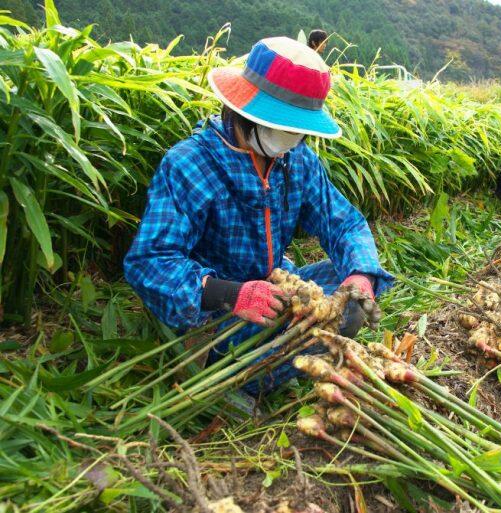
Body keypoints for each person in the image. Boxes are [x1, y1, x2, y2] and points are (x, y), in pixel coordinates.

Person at [124, 37, 393, 396]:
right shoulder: (191, 164)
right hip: (213, 313)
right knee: (295, 336)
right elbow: (149, 262)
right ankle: (233, 371)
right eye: (282, 127)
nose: (290, 139)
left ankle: (288, 354)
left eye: (298, 131)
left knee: (350, 296)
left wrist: (360, 274)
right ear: (244, 111)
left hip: (276, 288)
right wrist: (231, 294)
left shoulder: (298, 161)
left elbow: (343, 222)